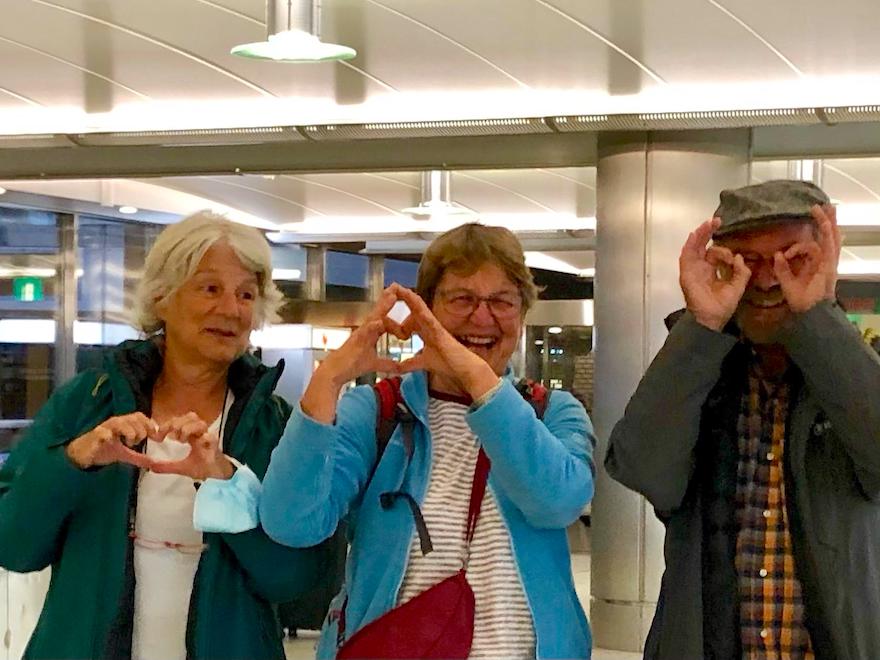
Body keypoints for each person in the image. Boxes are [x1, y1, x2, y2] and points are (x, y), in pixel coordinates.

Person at [240, 223, 594, 658]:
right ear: (426, 310)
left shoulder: (551, 412)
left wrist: (480, 383)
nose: (482, 317)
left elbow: (557, 501)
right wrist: (328, 379)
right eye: (462, 298)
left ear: (521, 317)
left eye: (502, 301)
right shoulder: (375, 413)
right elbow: (292, 523)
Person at [0, 212, 328, 660]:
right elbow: (13, 546)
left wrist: (225, 481)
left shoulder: (274, 427)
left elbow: (294, 581)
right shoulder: (86, 403)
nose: (231, 309)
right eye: (210, 288)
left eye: (245, 294)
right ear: (162, 298)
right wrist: (73, 461)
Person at [605, 180, 880, 659]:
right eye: (748, 262)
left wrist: (819, 314)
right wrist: (702, 323)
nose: (770, 280)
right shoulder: (698, 373)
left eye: (793, 259)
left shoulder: (853, 375)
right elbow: (642, 468)